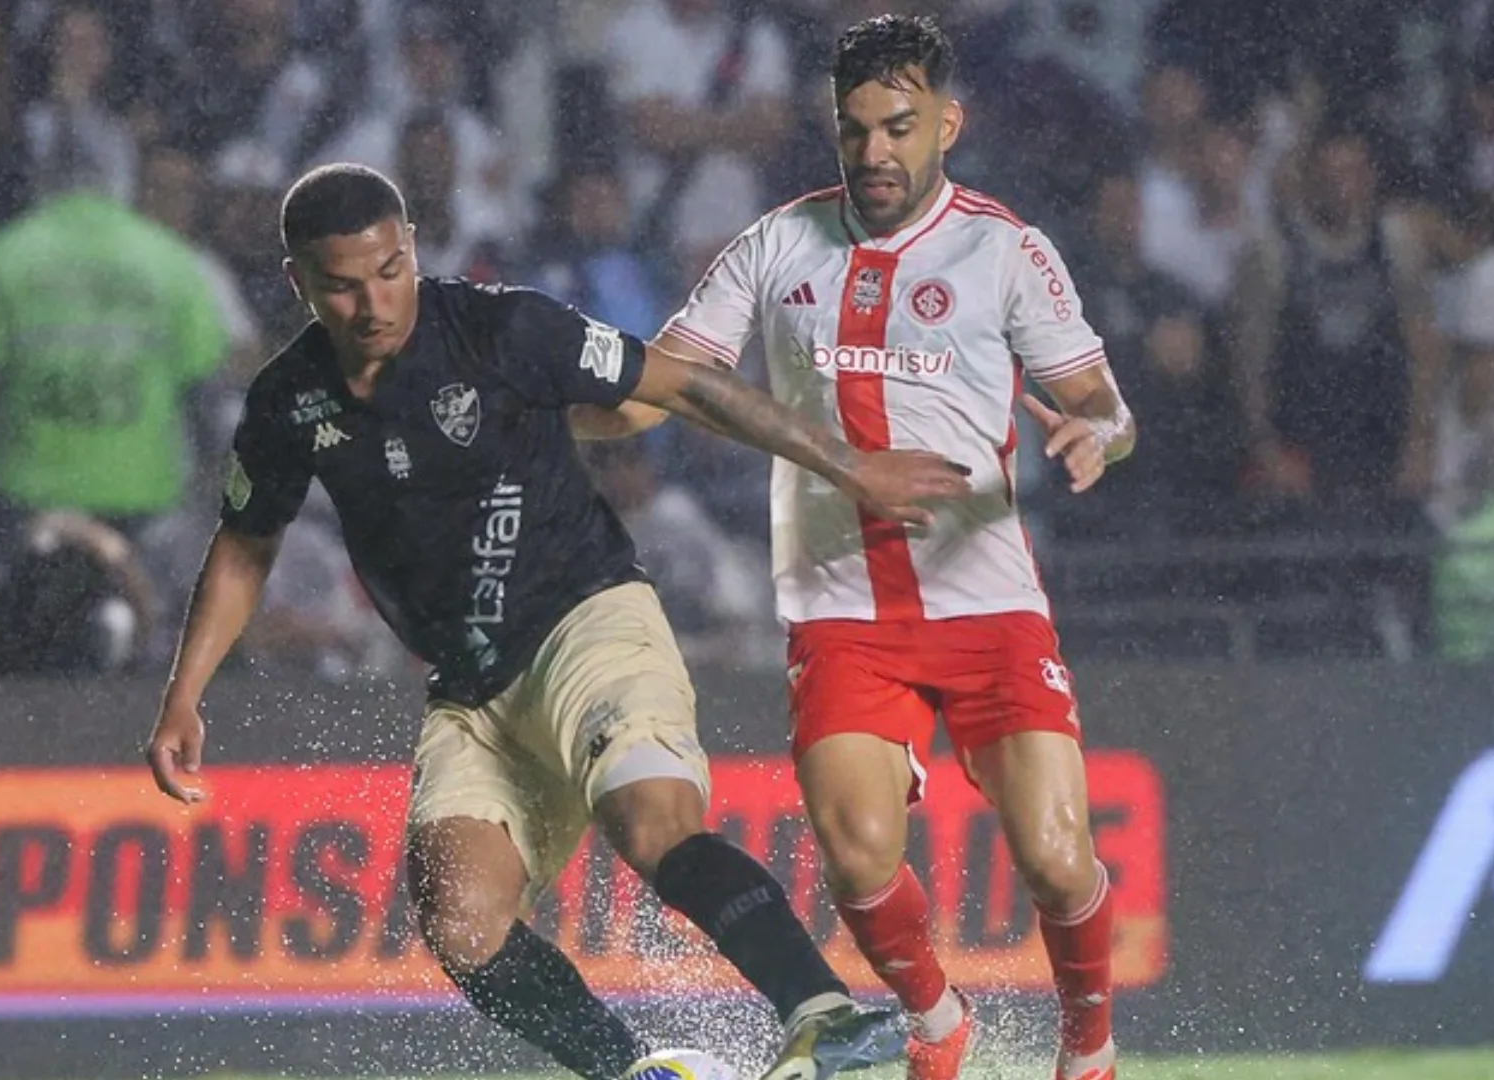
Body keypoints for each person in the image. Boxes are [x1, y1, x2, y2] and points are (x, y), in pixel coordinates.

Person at [142, 163, 976, 1080]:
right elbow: (246, 541)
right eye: (342, 283)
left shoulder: (502, 329)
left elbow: (684, 387)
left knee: (650, 820)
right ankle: (634, 1073)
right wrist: (186, 694)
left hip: (588, 619)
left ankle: (823, 1014)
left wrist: (847, 464)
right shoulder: (286, 400)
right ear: (300, 281)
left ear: (411, 249)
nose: (374, 300)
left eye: (390, 269)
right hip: (470, 690)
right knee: (460, 924)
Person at [574, 16, 1136, 1080]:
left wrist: (1094, 433)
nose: (875, 151)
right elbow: (666, 387)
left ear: (947, 125)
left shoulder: (1006, 248)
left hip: (988, 608)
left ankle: (1089, 1047)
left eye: (899, 126)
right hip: (840, 612)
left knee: (1061, 865)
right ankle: (936, 1023)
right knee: (858, 852)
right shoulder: (775, 245)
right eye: (855, 129)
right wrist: (546, 408)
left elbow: (1107, 404)